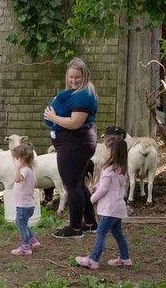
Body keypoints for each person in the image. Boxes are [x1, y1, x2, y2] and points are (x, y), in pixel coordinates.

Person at [43, 57, 98, 239]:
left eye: (78, 77)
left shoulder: (84, 95)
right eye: (71, 77)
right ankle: (90, 223)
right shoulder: (78, 93)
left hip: (75, 145)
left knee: (72, 186)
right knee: (78, 184)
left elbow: (75, 123)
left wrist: (53, 117)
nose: (73, 81)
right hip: (75, 145)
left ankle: (74, 229)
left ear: (85, 76)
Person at [76, 136, 132, 269]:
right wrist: (97, 188)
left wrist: (92, 198)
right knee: (118, 233)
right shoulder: (121, 169)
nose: (103, 151)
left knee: (101, 233)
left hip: (109, 209)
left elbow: (105, 189)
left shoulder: (108, 169)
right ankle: (125, 258)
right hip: (118, 207)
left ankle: (93, 260)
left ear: (112, 152)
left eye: (105, 149)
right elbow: (111, 187)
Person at [10, 144, 41, 255]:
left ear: (22, 159)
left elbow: (18, 180)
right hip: (28, 204)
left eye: (15, 158)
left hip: (24, 205)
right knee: (23, 223)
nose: (13, 160)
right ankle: (33, 241)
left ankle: (25, 248)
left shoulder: (24, 170)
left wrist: (17, 168)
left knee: (21, 224)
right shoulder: (31, 170)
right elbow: (35, 183)